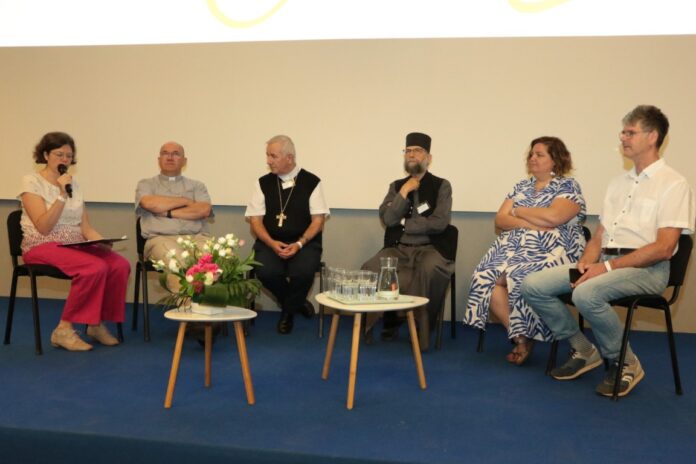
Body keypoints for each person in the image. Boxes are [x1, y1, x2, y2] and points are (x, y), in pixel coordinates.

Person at [522, 105, 695, 397]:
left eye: (630, 132)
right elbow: (600, 235)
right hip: (606, 263)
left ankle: (625, 362)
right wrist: (587, 263)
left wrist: (606, 268)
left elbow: (664, 248)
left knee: (585, 293)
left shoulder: (673, 184)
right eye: (623, 132)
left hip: (648, 270)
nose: (623, 137)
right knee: (533, 285)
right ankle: (584, 349)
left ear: (652, 137)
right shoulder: (617, 183)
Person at [464, 137, 586, 365]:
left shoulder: (568, 186)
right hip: (512, 247)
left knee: (520, 276)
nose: (532, 158)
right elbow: (500, 220)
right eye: (531, 154)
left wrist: (518, 211)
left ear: (555, 160)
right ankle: (522, 338)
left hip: (554, 249)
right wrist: (530, 222)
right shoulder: (521, 186)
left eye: (539, 154)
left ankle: (533, 336)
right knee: (483, 277)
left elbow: (554, 217)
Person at [19, 132, 130, 351]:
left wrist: (101, 241)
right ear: (45, 155)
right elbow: (43, 226)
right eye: (59, 154)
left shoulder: (73, 184)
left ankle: (95, 324)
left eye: (69, 156)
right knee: (93, 267)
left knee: (119, 265)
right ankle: (63, 329)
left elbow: (85, 227)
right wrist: (61, 195)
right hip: (41, 244)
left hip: (74, 244)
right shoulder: (31, 182)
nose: (65, 160)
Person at [362, 132, 455, 350]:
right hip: (398, 249)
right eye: (408, 151)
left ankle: (422, 330)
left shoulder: (442, 185)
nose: (412, 154)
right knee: (371, 268)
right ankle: (379, 322)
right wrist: (404, 192)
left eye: (418, 151)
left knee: (430, 269)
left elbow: (440, 222)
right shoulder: (396, 186)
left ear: (428, 158)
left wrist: (405, 223)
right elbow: (388, 219)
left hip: (430, 249)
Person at [245, 135, 329, 334]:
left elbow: (318, 220)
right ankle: (296, 304)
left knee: (303, 272)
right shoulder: (262, 183)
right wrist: (271, 243)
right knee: (265, 271)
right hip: (269, 241)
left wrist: (299, 244)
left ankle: (287, 313)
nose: (268, 161)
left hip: (304, 242)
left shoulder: (312, 182)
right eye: (267, 155)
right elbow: (255, 220)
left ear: (289, 158)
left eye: (273, 156)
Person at [135, 141, 213, 274]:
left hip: (196, 238)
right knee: (178, 263)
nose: (170, 157)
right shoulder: (146, 184)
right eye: (165, 153)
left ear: (184, 161)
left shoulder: (197, 186)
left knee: (214, 262)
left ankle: (205, 289)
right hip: (160, 239)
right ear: (159, 159)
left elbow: (204, 210)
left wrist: (167, 213)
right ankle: (185, 289)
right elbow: (149, 203)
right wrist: (185, 201)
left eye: (176, 154)